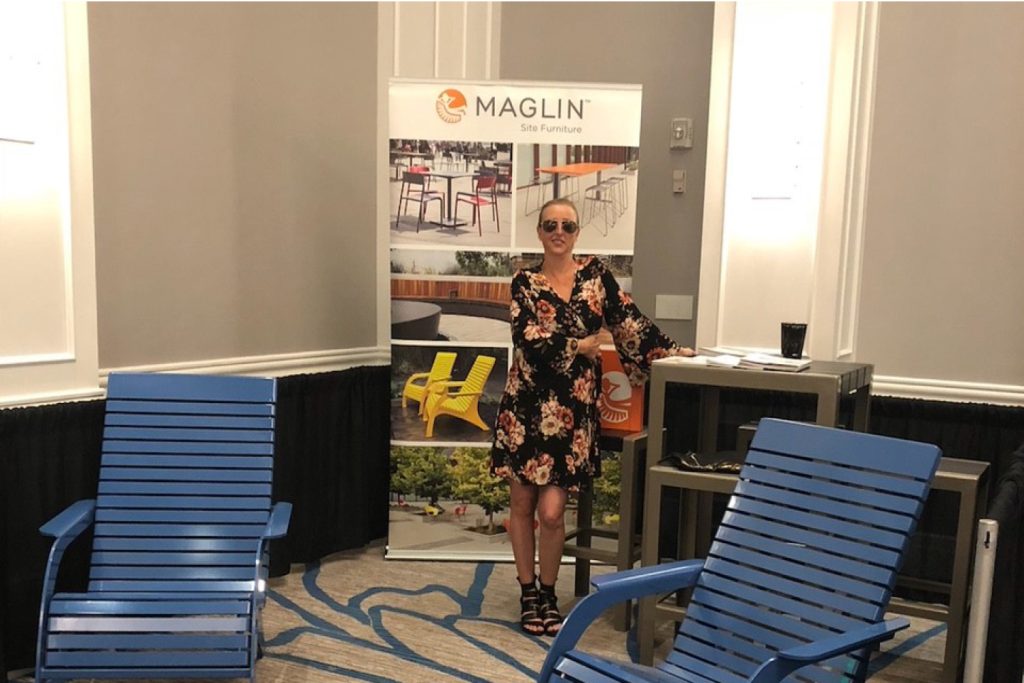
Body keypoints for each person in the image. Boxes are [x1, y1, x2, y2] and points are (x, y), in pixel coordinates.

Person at [490, 197, 695, 636]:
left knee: (552, 511)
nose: (558, 232)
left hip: (571, 414)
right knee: (522, 504)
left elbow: (629, 324)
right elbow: (528, 339)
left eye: (566, 225)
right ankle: (531, 595)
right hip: (525, 408)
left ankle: (549, 589)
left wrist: (672, 351)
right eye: (550, 225)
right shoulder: (523, 282)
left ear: (577, 232)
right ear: (540, 233)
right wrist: (579, 345)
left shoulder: (596, 277)